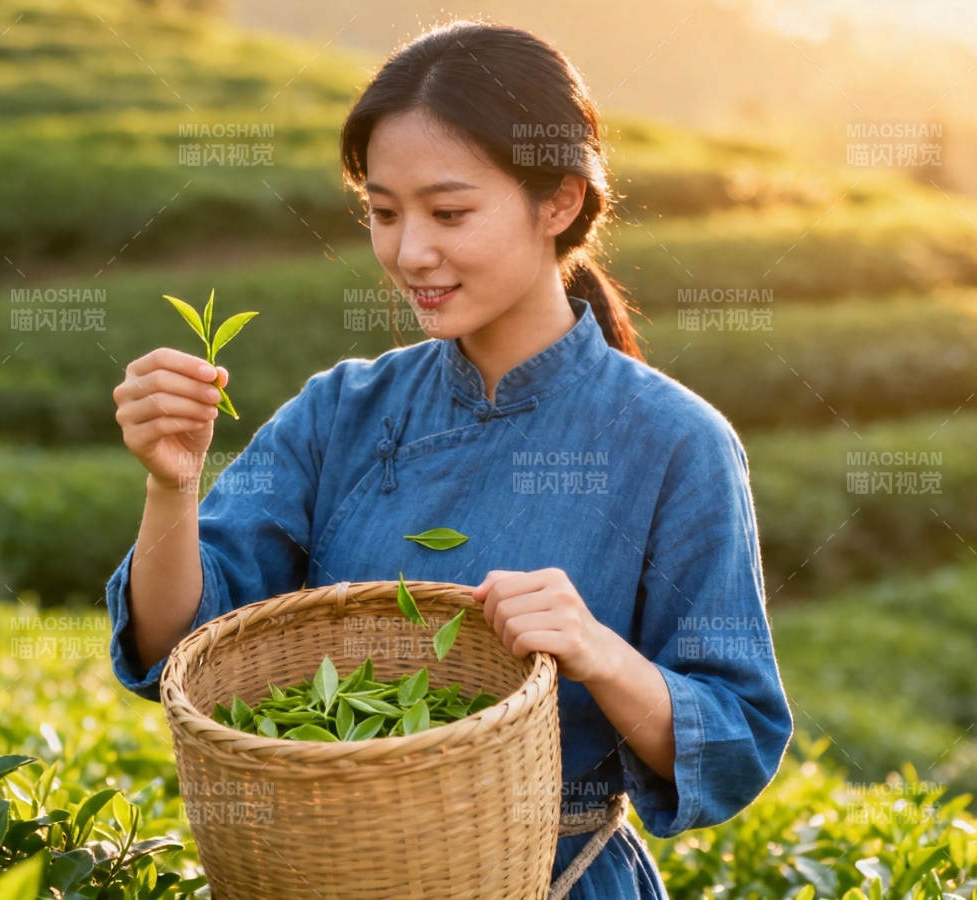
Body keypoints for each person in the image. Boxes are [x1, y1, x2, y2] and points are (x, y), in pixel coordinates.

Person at [107, 19, 793, 898]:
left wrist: (597, 650)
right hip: (340, 876)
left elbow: (735, 738)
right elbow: (176, 649)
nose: (410, 253)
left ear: (559, 202)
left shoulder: (674, 441)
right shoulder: (340, 412)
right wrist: (172, 486)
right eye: (384, 213)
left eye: (449, 213)